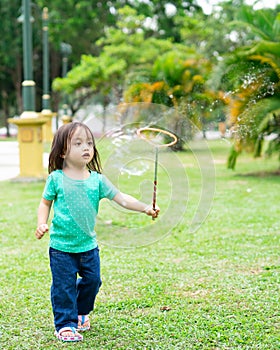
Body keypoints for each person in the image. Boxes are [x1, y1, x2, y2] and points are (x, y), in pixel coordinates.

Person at [35, 122, 159, 342]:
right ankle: (65, 324)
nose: (86, 147)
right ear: (63, 151)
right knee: (63, 287)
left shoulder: (97, 180)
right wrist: (42, 223)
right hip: (61, 248)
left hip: (88, 247)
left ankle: (81, 312)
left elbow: (122, 198)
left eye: (89, 143)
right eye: (78, 143)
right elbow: (45, 203)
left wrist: (145, 208)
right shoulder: (56, 179)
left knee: (93, 281)